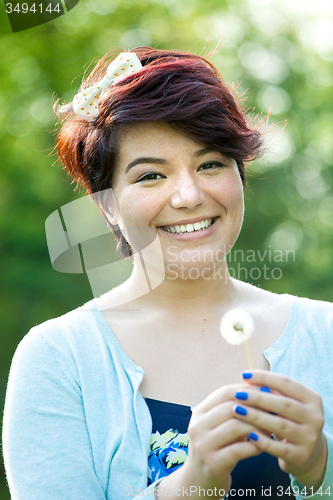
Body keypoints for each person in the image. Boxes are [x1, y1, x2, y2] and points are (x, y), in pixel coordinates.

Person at [2, 47, 333, 500]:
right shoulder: (60, 359)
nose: (188, 195)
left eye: (210, 164)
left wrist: (320, 468)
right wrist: (190, 483)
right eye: (150, 176)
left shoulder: (325, 336)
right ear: (107, 205)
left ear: (240, 174)